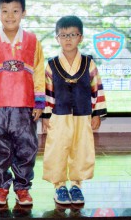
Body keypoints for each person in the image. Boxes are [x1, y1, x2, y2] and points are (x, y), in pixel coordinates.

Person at [0, 0, 46, 207]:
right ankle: (2, 187)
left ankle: (23, 187)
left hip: (24, 105)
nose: (10, 16)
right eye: (4, 11)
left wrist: (39, 101)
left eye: (15, 11)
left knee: (26, 147)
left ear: (23, 13)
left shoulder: (33, 41)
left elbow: (39, 71)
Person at [41, 15, 107, 207]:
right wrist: (46, 116)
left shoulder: (88, 63)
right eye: (63, 35)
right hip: (58, 115)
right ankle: (59, 185)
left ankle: (76, 185)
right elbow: (47, 92)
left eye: (72, 35)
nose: (68, 39)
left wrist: (97, 114)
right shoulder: (52, 64)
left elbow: (97, 88)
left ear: (81, 37)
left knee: (81, 148)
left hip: (83, 114)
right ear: (57, 38)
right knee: (57, 148)